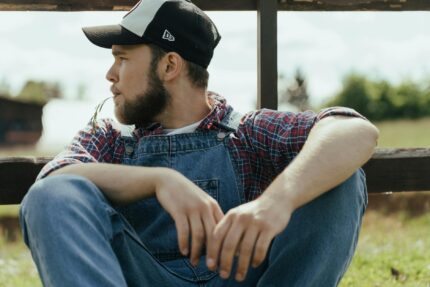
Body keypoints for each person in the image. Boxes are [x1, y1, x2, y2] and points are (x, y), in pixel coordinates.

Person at [19, 0, 379, 286]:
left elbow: (354, 131)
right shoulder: (109, 139)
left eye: (122, 58)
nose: (110, 75)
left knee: (341, 178)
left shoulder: (247, 133)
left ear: (169, 66)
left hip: (243, 278)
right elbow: (55, 181)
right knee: (52, 195)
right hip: (141, 278)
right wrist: (160, 181)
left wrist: (275, 203)